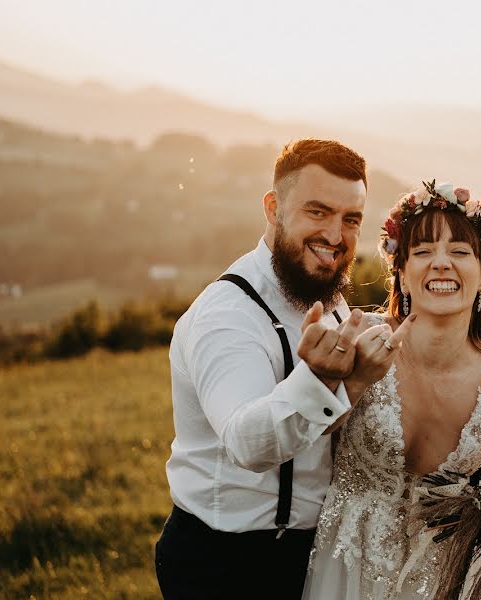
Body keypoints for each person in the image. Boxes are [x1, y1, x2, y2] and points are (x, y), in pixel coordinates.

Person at [154, 139, 410, 599]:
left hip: (313, 555)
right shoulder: (227, 316)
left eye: (350, 219)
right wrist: (321, 379)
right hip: (227, 565)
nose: (335, 236)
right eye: (318, 212)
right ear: (273, 208)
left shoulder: (326, 295)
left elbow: (326, 431)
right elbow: (247, 444)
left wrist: (353, 383)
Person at [303, 181, 481, 599]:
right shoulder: (358, 340)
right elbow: (305, 440)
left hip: (451, 581)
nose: (440, 264)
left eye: (460, 252)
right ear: (402, 275)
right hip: (350, 572)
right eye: (423, 252)